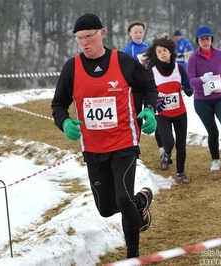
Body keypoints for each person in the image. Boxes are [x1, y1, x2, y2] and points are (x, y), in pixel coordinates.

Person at [51, 13, 158, 259]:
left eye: (89, 36)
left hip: (124, 142)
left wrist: (150, 110)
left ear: (102, 33)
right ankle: (141, 201)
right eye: (79, 38)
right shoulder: (72, 68)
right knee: (106, 208)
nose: (84, 42)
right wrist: (64, 122)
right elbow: (58, 104)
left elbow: (149, 87)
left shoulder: (123, 61)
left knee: (122, 198)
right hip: (93, 147)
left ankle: (133, 257)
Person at [187, 25, 221, 171]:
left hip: (220, 97)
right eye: (202, 39)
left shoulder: (220, 54)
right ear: (197, 41)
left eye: (207, 38)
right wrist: (202, 79)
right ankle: (215, 159)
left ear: (211, 39)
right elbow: (191, 80)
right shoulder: (193, 58)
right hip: (202, 101)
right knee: (213, 132)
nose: (205, 41)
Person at [142, 36, 193, 184]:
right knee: (169, 143)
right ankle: (166, 155)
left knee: (181, 145)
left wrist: (188, 88)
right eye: (159, 52)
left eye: (165, 50)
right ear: (155, 55)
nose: (163, 53)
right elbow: (147, 94)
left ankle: (181, 173)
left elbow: (189, 92)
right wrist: (155, 101)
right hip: (162, 114)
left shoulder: (179, 68)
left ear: (170, 51)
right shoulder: (152, 72)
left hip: (180, 113)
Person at [122, 20, 166, 165]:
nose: (138, 34)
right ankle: (135, 151)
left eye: (140, 31)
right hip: (135, 89)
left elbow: (157, 61)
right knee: (137, 119)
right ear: (130, 34)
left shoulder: (148, 46)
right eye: (135, 32)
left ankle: (162, 150)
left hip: (149, 87)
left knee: (155, 116)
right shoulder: (127, 50)